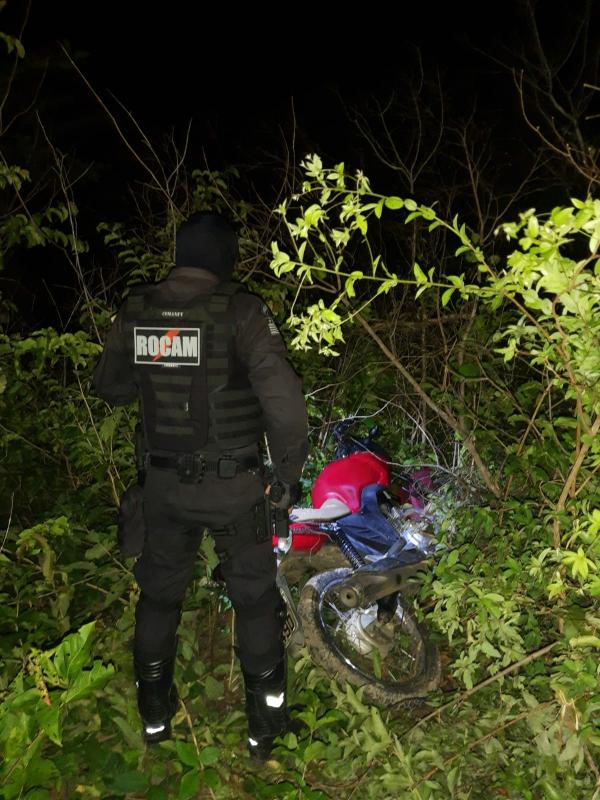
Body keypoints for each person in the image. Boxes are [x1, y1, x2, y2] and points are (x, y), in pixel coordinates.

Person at [92, 212, 309, 761]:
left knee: (159, 598)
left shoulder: (137, 310)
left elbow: (109, 387)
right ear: (225, 258)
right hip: (234, 488)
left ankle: (156, 724)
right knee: (256, 602)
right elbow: (286, 410)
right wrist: (285, 480)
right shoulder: (242, 311)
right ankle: (265, 732)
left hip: (163, 487)